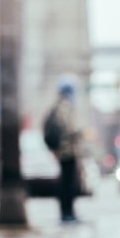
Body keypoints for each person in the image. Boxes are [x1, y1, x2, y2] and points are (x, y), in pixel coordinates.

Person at [46, 78, 84, 222]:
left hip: (63, 151)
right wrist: (80, 132)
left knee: (66, 182)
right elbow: (71, 128)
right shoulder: (66, 107)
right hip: (67, 151)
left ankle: (67, 212)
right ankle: (67, 213)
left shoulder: (58, 106)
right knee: (68, 183)